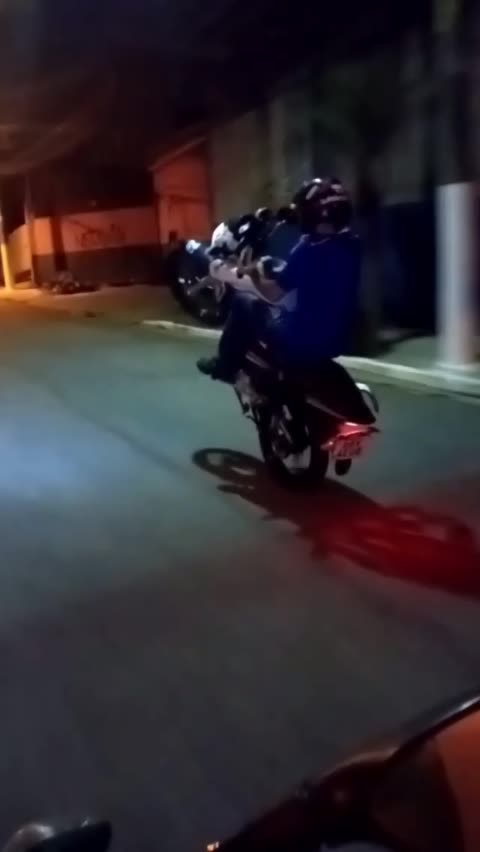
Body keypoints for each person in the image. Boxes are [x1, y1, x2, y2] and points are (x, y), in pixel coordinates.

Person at [197, 178, 361, 382]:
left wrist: (254, 275)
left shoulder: (307, 251)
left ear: (316, 214)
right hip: (339, 340)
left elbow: (274, 294)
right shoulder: (353, 245)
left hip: (299, 341)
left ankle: (225, 366)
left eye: (304, 210)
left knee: (243, 302)